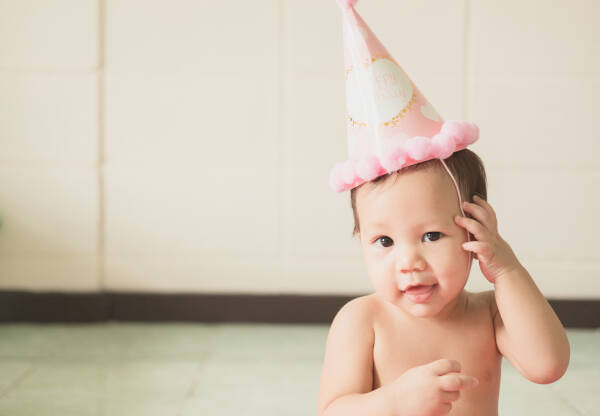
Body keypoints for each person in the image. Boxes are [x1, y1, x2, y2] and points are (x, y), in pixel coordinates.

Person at [317, 1, 570, 415]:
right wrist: (394, 401)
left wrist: (506, 270)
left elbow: (548, 366)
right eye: (384, 241)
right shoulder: (363, 320)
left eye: (431, 235)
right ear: (361, 240)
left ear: (474, 232)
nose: (408, 261)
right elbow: (331, 411)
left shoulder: (489, 314)